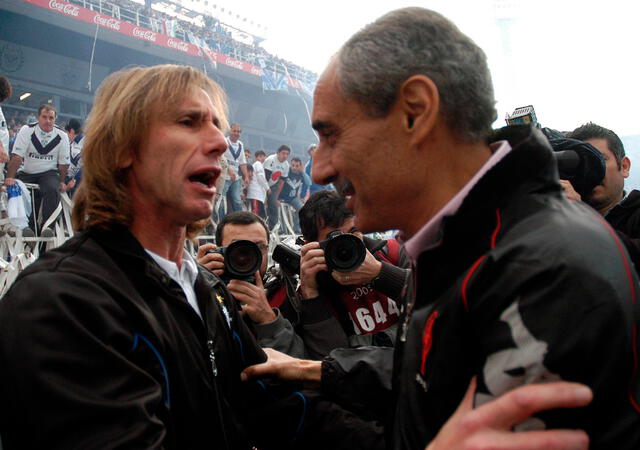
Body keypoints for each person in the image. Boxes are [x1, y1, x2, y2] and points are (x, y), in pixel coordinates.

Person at [242, 7, 640, 449]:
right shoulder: (467, 248)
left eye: (332, 134)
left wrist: (300, 415)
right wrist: (317, 372)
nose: (319, 169)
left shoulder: (542, 273)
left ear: (415, 112)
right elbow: (437, 380)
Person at [0, 65, 312, 450]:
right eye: (188, 122)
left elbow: (273, 410)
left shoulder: (204, 287)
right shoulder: (61, 302)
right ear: (124, 149)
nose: (218, 142)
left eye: (217, 125)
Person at [296, 190, 409, 358]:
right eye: (336, 238)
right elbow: (332, 362)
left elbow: (438, 301)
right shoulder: (312, 291)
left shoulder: (393, 252)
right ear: (311, 245)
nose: (348, 243)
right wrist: (311, 295)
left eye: (354, 231)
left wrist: (381, 273)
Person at [197, 211, 306, 357]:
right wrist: (195, 287)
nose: (245, 257)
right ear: (218, 251)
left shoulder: (288, 297)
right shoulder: (200, 289)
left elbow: (301, 367)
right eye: (237, 248)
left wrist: (269, 320)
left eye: (259, 247)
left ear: (268, 250)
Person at [563, 123, 640, 268]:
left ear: (624, 166)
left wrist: (581, 217)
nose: (588, 170)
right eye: (580, 163)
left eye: (598, 160)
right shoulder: (560, 218)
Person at [4, 104, 70, 233]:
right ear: (37, 117)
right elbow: (17, 157)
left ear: (55, 118)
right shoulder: (26, 130)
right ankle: (26, 227)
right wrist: (10, 177)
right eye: (44, 117)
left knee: (52, 188)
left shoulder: (62, 135)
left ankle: (48, 226)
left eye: (51, 118)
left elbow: (64, 164)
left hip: (48, 173)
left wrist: (62, 181)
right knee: (21, 190)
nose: (48, 121)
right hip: (28, 172)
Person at [277, 157, 310, 233]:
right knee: (282, 212)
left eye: (297, 166)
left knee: (302, 209)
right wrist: (277, 197)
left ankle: (297, 228)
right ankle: (283, 230)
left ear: (300, 166)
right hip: (282, 197)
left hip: (292, 198)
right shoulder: (287, 171)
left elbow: (308, 183)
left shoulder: (301, 174)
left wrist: (303, 172)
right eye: (293, 165)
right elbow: (279, 183)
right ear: (290, 164)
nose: (294, 167)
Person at [223, 122, 248, 213]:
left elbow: (242, 162)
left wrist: (246, 176)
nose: (237, 133)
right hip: (224, 177)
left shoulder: (240, 144)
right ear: (230, 131)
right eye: (234, 131)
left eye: (239, 132)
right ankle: (220, 221)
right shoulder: (224, 141)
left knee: (237, 200)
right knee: (221, 199)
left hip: (235, 178)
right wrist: (229, 171)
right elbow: (221, 158)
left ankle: (240, 220)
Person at [263, 144, 290, 230]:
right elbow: (265, 177)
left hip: (274, 185)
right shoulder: (271, 160)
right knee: (263, 203)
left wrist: (276, 196)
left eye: (287, 154)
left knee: (273, 203)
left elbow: (281, 182)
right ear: (278, 153)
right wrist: (265, 194)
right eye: (283, 153)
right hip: (263, 183)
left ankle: (273, 227)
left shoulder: (286, 165)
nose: (285, 156)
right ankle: (263, 224)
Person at [246, 149, 270, 220]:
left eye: (263, 156)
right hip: (256, 194)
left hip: (258, 194)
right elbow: (260, 177)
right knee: (256, 214)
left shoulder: (258, 165)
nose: (262, 158)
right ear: (256, 157)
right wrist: (267, 188)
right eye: (260, 156)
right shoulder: (258, 164)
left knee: (259, 213)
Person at [64, 118, 84, 197]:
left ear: (71, 131)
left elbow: (89, 165)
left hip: (80, 183)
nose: (67, 136)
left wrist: (74, 180)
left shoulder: (87, 142)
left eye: (67, 133)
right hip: (70, 179)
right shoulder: (70, 143)